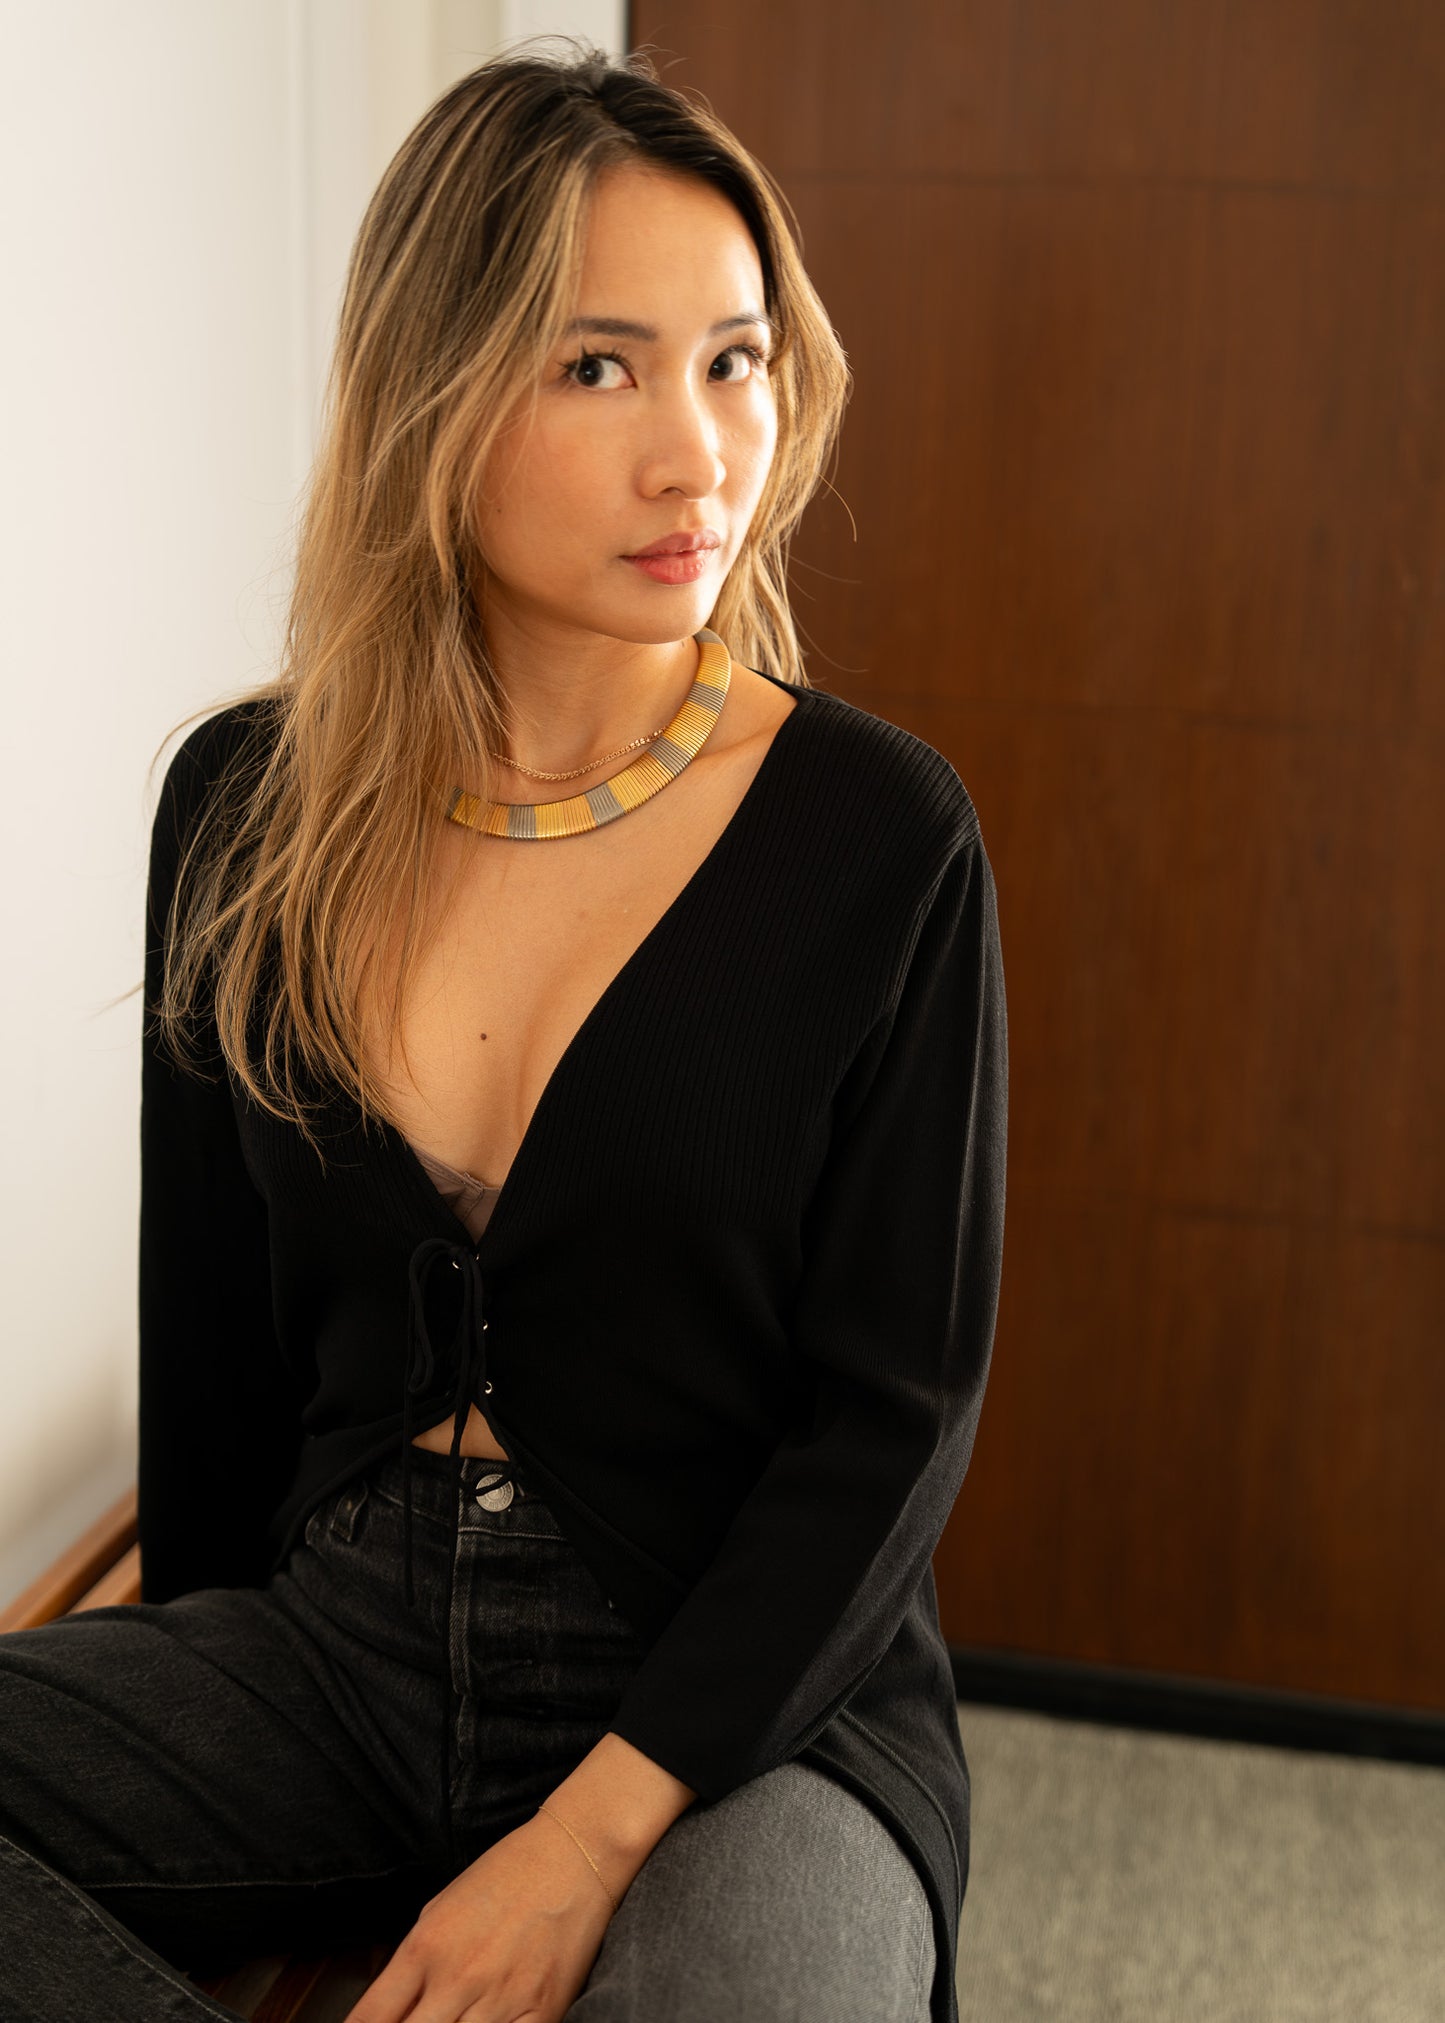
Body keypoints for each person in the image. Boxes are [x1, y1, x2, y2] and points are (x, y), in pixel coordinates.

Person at [0, 39, 1007, 2023]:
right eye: (598, 366)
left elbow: (891, 1419)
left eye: (736, 358)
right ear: (432, 395)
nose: (700, 453)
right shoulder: (248, 808)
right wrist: (198, 1763)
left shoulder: (880, 837)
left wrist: (589, 1833)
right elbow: (217, 1370)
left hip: (751, 1698)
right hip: (346, 1642)